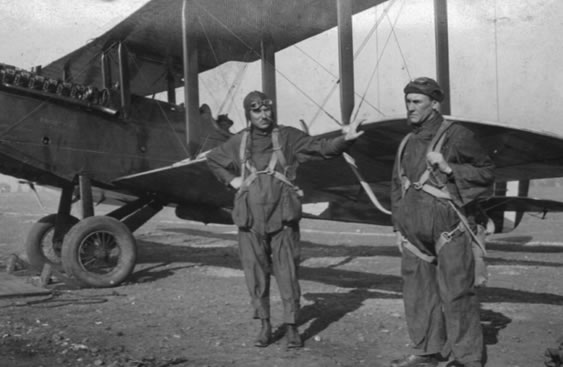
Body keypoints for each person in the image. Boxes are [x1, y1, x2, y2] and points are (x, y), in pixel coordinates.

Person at [206, 91, 363, 348]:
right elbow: (213, 160)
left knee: (287, 273)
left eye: (267, 108)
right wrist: (232, 180)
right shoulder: (239, 142)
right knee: (255, 274)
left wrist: (345, 140)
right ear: (248, 114)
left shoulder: (288, 137)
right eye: (256, 110)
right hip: (250, 221)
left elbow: (321, 148)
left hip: (283, 218)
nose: (264, 114)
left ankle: (291, 327)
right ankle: (265, 325)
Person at [390, 77, 495, 367]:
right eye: (408, 102)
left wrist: (450, 168)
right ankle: (427, 352)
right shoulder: (407, 143)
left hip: (450, 230)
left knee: (457, 294)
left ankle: (466, 359)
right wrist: (398, 228)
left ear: (434, 104)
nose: (410, 108)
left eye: (416, 102)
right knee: (418, 295)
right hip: (414, 237)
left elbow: (487, 174)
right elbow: (397, 186)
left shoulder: (457, 135)